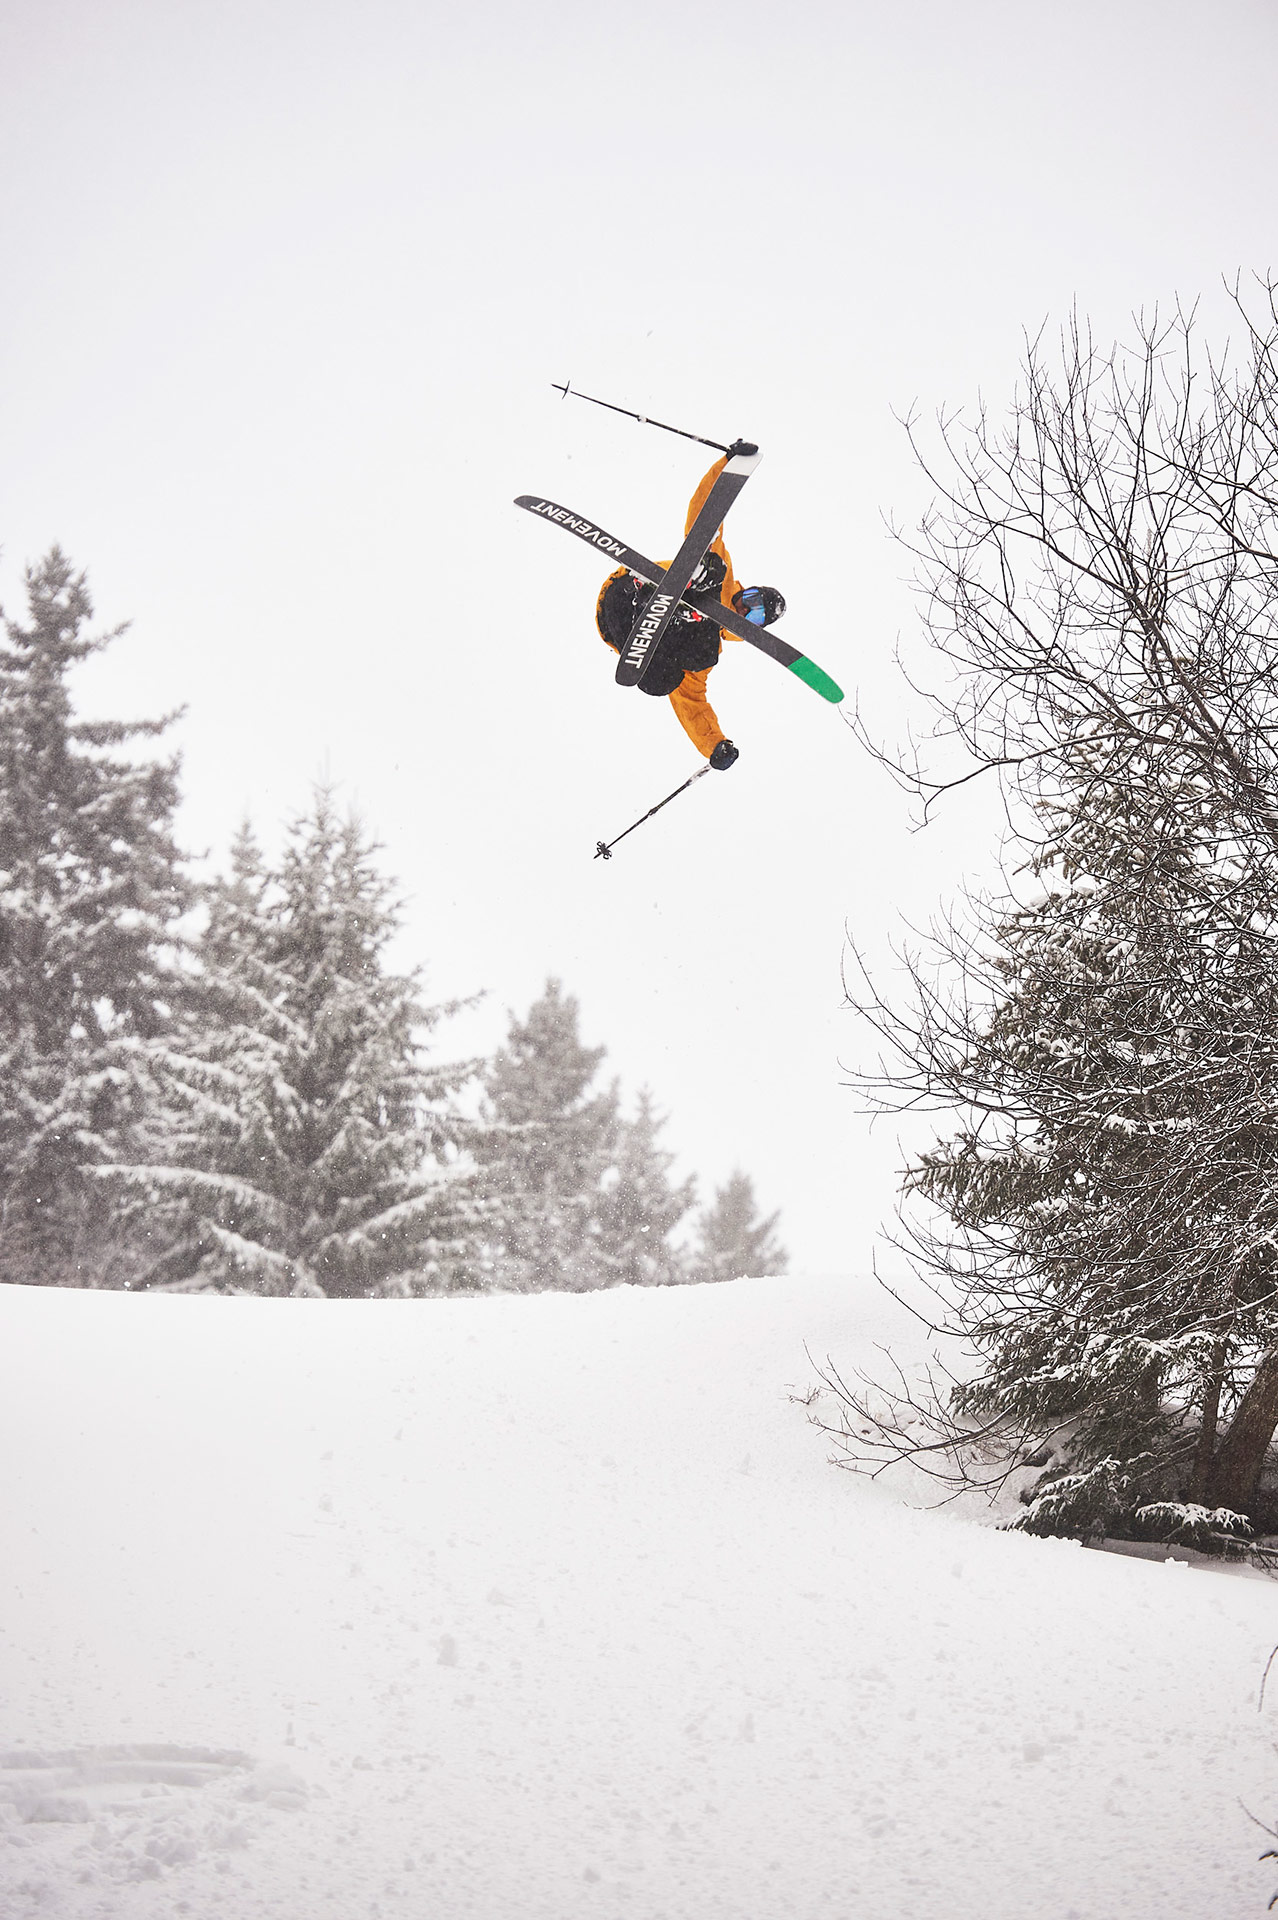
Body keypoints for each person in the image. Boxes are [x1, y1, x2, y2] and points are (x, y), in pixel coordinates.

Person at [594, 454, 786, 770]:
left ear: (754, 627)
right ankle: (672, 594)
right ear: (746, 589)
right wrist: (728, 467)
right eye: (750, 599)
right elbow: (705, 517)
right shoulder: (724, 578)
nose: (744, 608)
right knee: (713, 566)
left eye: (754, 615)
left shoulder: (707, 653)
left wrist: (715, 745)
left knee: (669, 678)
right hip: (624, 592)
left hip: (623, 633)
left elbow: (692, 707)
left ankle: (673, 617)